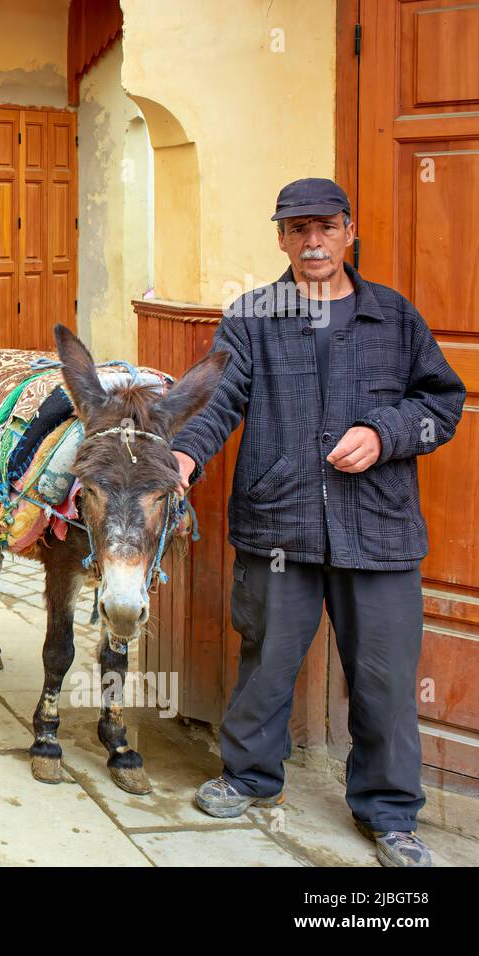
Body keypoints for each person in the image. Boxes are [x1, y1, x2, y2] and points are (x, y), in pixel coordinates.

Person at [170, 178, 465, 867]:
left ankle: (390, 813)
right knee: (266, 660)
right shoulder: (252, 316)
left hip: (380, 530)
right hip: (280, 524)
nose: (312, 242)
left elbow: (442, 405)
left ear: (348, 230)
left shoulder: (393, 317)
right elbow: (220, 399)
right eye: (297, 229)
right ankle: (249, 776)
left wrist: (386, 433)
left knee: (386, 678)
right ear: (279, 236)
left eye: (325, 227)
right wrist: (185, 453)